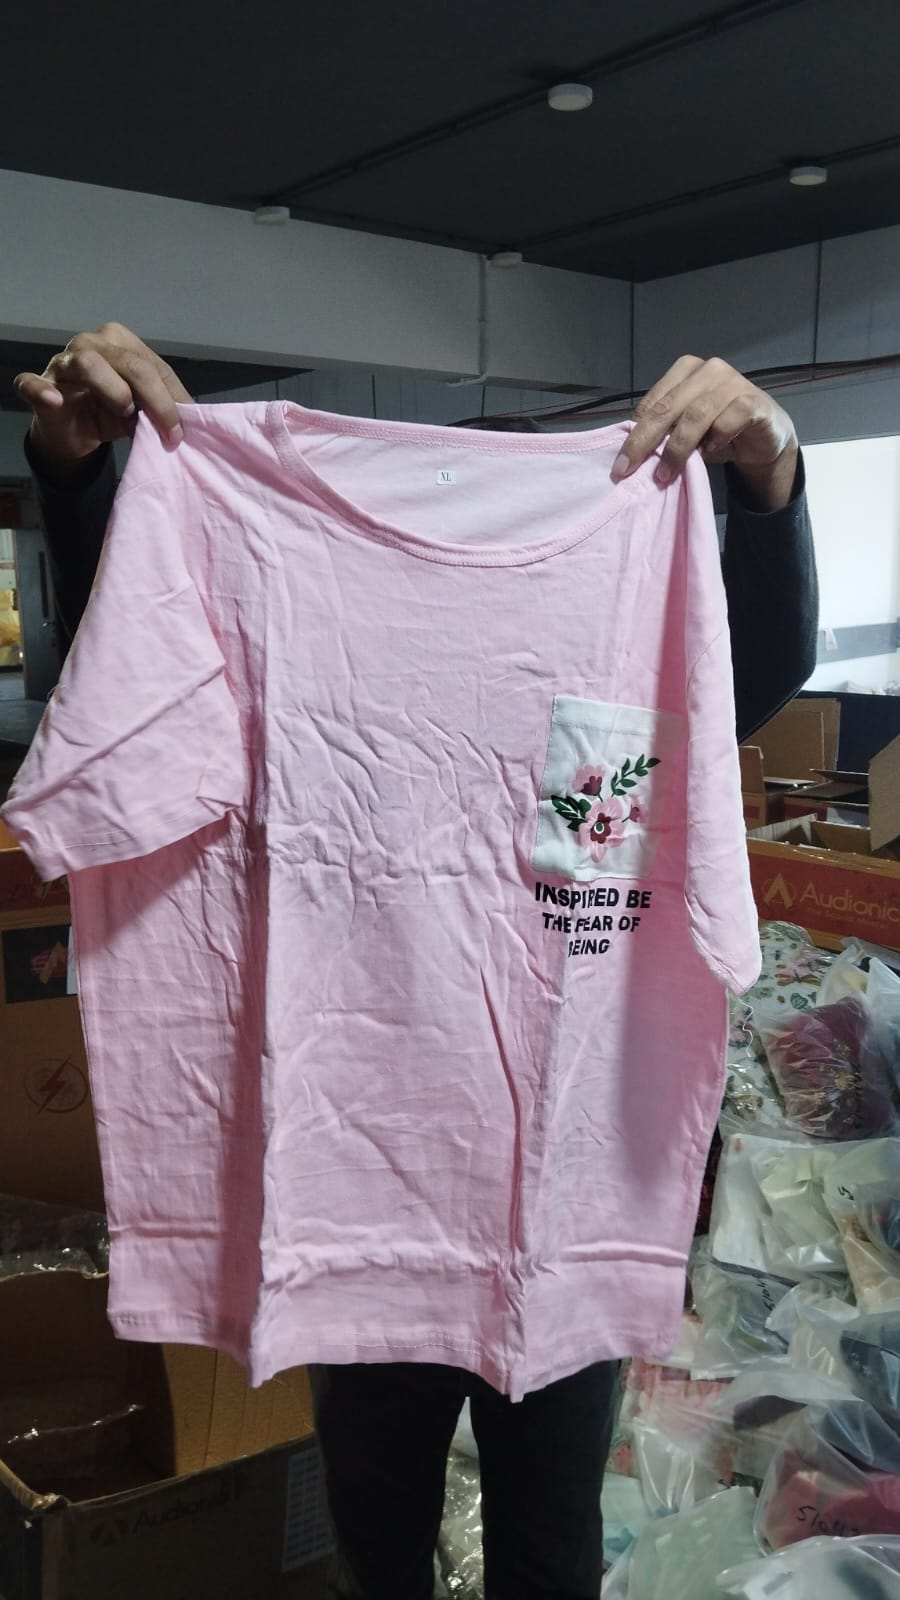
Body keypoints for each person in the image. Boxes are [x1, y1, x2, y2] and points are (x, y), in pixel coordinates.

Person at [15, 325, 816, 1600]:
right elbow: (115, 696)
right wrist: (77, 482)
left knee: (544, 1552)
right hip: (354, 1181)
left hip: (563, 1186)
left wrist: (770, 479)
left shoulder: (633, 563)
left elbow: (755, 670)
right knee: (380, 1544)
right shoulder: (253, 542)